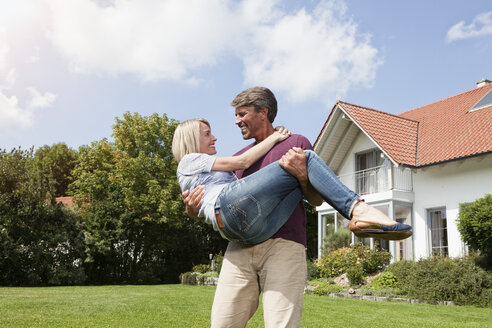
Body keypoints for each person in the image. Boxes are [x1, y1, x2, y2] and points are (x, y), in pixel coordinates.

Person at [181, 87, 409, 328]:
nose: (236, 121)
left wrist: (302, 176)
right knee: (222, 323)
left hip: (284, 244)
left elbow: (316, 199)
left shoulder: (295, 143)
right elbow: (219, 205)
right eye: (236, 115)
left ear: (263, 113)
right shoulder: (237, 158)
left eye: (242, 114)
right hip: (240, 248)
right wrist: (191, 210)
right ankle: (358, 210)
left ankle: (359, 212)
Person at [172, 118, 412, 244]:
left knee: (299, 176)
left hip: (245, 233)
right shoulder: (189, 160)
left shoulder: (202, 170)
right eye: (207, 134)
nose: (214, 137)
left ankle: (361, 222)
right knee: (305, 156)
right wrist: (276, 137)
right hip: (227, 210)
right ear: (192, 139)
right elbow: (244, 162)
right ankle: (358, 209)